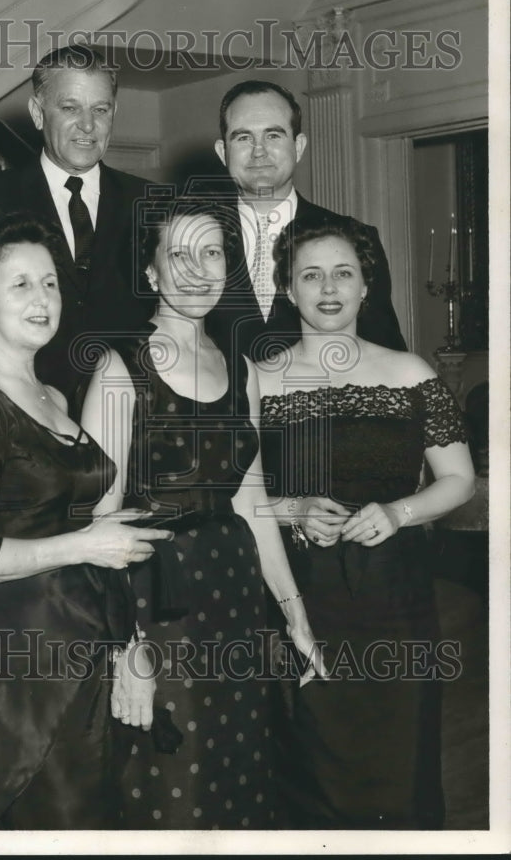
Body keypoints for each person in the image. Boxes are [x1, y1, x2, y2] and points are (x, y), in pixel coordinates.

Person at [81, 197, 326, 830]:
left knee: (238, 772)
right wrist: (124, 650)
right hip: (155, 604)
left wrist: (293, 613)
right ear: (151, 274)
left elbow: (251, 500)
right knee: (168, 789)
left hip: (237, 598)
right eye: (179, 254)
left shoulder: (237, 367)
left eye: (212, 252)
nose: (198, 269)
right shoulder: (118, 368)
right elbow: (95, 525)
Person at [0, 213, 173, 829]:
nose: (43, 299)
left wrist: (128, 642)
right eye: (20, 285)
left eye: (51, 283)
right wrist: (84, 545)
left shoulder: (53, 397)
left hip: (81, 642)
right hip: (13, 669)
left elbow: (96, 538)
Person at [256, 214, 475, 829]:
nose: (328, 288)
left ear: (365, 287)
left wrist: (398, 512)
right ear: (287, 289)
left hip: (396, 604)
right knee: (310, 780)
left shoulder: (411, 373)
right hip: (301, 602)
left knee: (400, 775)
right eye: (311, 275)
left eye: (343, 273)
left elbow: (460, 480)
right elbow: (237, 498)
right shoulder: (259, 381)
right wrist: (293, 509)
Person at [0, 45, 152, 409]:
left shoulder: (152, 202)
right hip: (24, 414)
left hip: (132, 420)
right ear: (37, 113)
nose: (87, 125)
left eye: (101, 109)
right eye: (70, 108)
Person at [207, 79, 406, 362]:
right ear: (221, 151)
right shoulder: (191, 239)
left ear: (298, 146)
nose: (258, 150)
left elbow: (386, 351)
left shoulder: (352, 237)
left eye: (273, 135)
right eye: (243, 137)